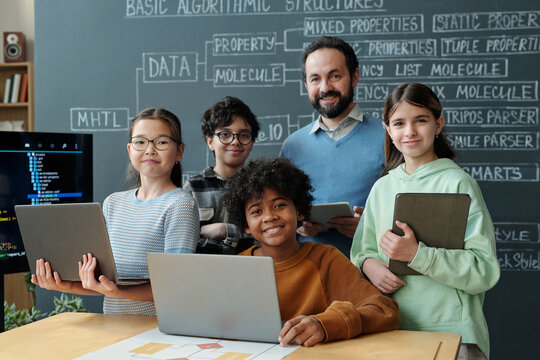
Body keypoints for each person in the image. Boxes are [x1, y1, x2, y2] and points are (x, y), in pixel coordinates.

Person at [350, 83, 500, 359]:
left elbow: (484, 270)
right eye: (399, 123)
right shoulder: (382, 188)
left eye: (421, 120)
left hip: (453, 334)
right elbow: (361, 252)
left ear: (438, 124)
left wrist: (417, 254)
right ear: (387, 129)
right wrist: (369, 265)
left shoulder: (458, 184)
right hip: (389, 330)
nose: (409, 131)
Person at [31, 107, 200, 315]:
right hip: (114, 328)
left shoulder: (180, 205)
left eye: (162, 142)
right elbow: (104, 283)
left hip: (158, 333)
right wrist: (63, 285)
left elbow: (175, 285)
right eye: (140, 142)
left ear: (179, 152)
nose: (149, 150)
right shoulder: (113, 203)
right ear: (130, 150)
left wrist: (117, 291)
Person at [223, 158, 400, 347]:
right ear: (246, 226)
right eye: (257, 211)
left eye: (279, 205)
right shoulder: (236, 268)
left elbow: (385, 311)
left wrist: (326, 325)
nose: (270, 217)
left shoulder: (325, 259)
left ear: (299, 211)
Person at [280, 36, 384, 256]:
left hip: (372, 276)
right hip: (308, 277)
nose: (325, 87)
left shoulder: (389, 138)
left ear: (354, 76)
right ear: (306, 84)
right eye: (315, 79)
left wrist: (373, 229)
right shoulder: (292, 146)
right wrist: (297, 223)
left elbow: (412, 214)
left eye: (334, 76)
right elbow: (280, 214)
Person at [184, 96, 260, 254]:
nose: (235, 141)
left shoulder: (261, 186)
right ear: (210, 141)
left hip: (254, 271)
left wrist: (226, 231)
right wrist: (242, 236)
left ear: (252, 143)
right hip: (205, 273)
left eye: (244, 135)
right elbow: (186, 240)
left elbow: (269, 234)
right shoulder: (193, 188)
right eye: (225, 134)